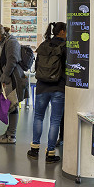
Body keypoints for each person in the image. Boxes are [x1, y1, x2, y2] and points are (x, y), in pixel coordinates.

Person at [28, 22, 66, 163]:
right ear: (62, 31)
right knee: (55, 121)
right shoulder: (65, 46)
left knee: (38, 117)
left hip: (42, 86)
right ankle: (50, 153)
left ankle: (34, 149)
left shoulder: (44, 45)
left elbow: (37, 65)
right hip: (58, 87)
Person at [0, 23, 29, 144]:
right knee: (10, 107)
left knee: (12, 106)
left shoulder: (11, 42)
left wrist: (4, 77)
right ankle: (9, 132)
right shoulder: (3, 42)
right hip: (7, 79)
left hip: (12, 79)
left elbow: (13, 60)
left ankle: (12, 135)